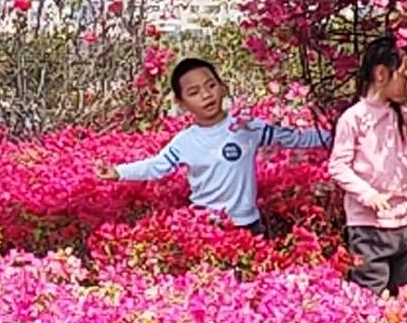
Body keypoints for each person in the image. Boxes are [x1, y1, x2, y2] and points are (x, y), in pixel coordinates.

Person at [113, 55, 328, 238]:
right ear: (181, 102)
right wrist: (117, 172)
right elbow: (157, 166)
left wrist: (339, 136)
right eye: (194, 92)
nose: (206, 95)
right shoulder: (184, 142)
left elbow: (293, 138)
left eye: (211, 85)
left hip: (249, 225)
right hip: (205, 227)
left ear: (222, 87)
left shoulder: (247, 127)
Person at [330, 35, 407, 294]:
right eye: (405, 77)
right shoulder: (354, 118)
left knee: (402, 292)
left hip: (405, 221)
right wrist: (368, 194)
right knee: (370, 290)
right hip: (369, 226)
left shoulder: (400, 113)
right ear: (382, 74)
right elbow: (338, 166)